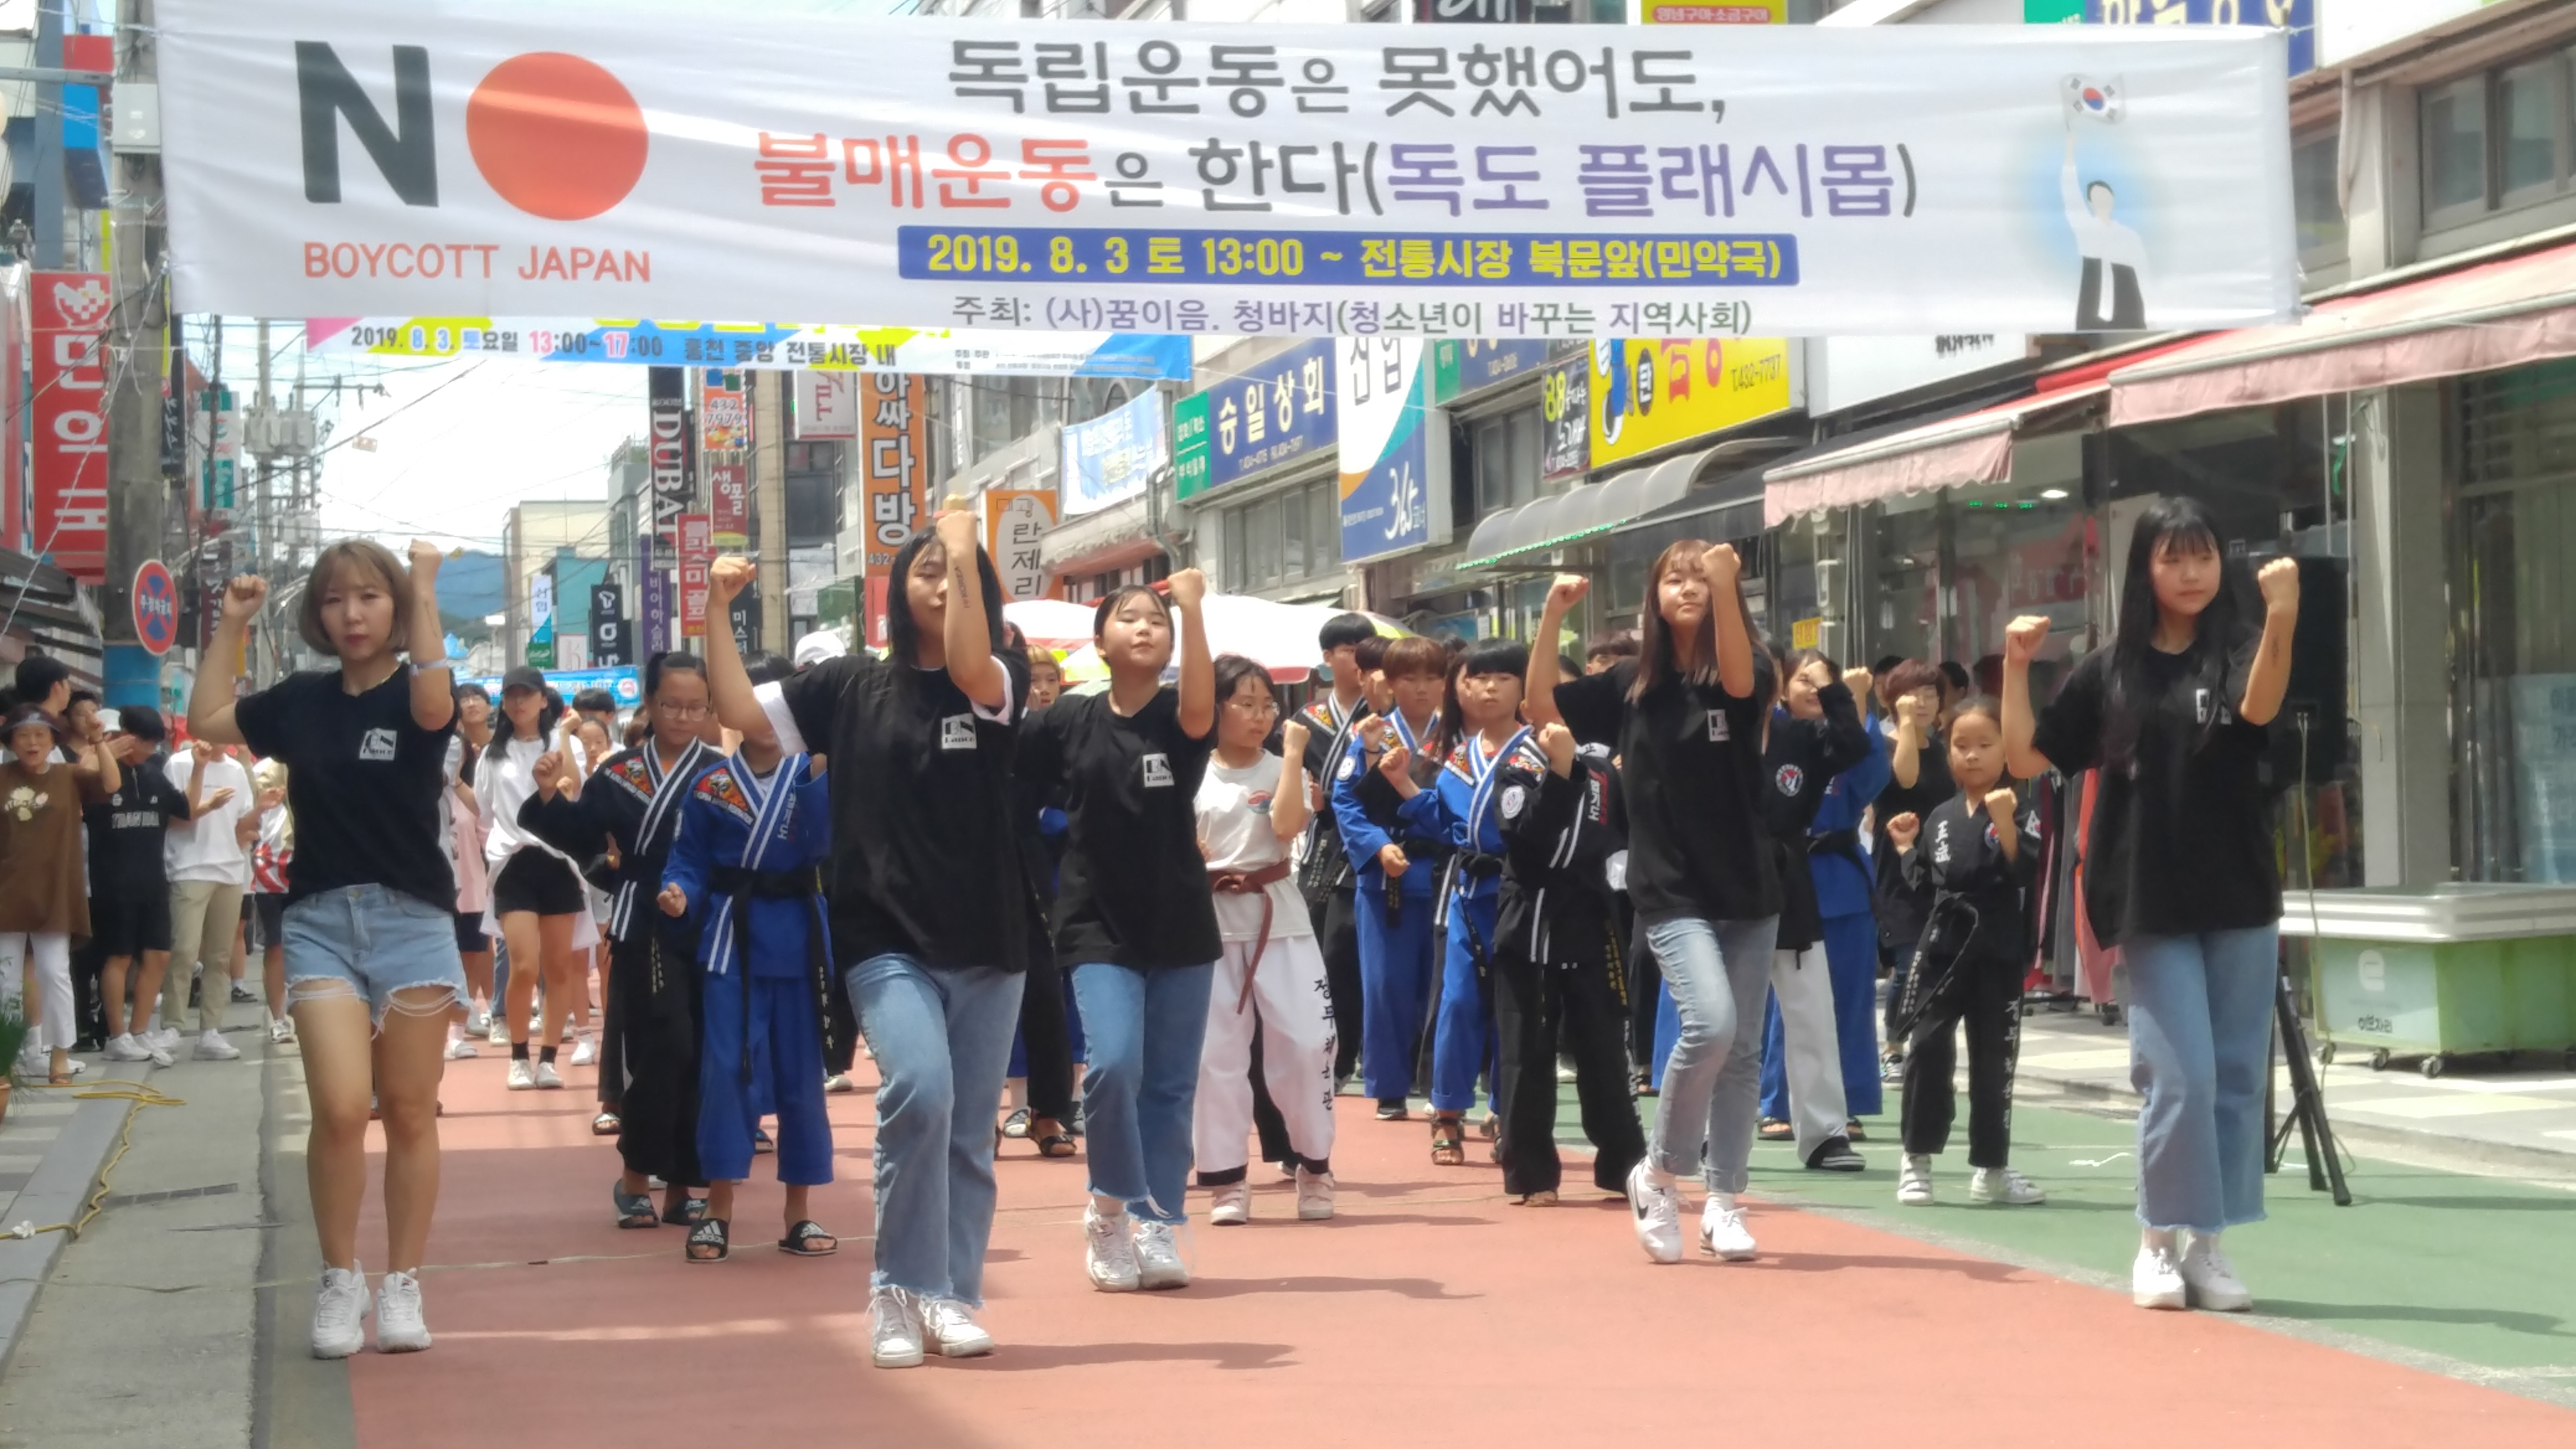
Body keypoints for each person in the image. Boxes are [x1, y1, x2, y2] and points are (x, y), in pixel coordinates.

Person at [706, 512, 1028, 1369]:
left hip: (989, 933)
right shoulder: (850, 684)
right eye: (927, 570)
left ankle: (950, 1295)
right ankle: (895, 1288)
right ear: (898, 590)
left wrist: (963, 541)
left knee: (968, 1132)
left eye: (957, 572)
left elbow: (967, 663)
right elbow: (740, 714)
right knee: (919, 1092)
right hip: (882, 933)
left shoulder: (1000, 674)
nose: (942, 583)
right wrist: (716, 608)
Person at [2004, 497, 2300, 1313]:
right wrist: (2016, 666)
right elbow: (2025, 756)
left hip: (2239, 891)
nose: (2192, 572)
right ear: (2145, 568)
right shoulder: (2110, 669)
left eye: (2204, 555)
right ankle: (2156, 1241)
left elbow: (2260, 708)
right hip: (2148, 896)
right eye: (2174, 558)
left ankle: (2209, 1244)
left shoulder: (2238, 646)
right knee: (2179, 1075)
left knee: (2236, 1076)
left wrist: (2282, 617)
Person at [188, 538, 465, 1358]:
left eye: (370, 597)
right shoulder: (301, 699)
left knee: (409, 1110)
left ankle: (403, 1282)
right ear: (318, 612)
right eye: (336, 599)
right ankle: (340, 1277)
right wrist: (232, 624)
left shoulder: (420, 692)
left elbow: (433, 701)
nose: (352, 614)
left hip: (412, 919)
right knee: (342, 1108)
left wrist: (422, 585)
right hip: (318, 920)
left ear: (396, 610)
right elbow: (205, 720)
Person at [1526, 548, 1777, 1266]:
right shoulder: (1631, 683)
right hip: (1668, 888)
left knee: (1742, 1053)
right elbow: (1541, 706)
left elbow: (1736, 679)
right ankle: (1660, 1172)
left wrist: (1726, 586)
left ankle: (1724, 1202)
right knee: (1711, 1024)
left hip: (1750, 886)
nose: (1689, 587)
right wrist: (1552, 616)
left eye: (1702, 576)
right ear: (1654, 596)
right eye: (1675, 578)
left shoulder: (1751, 669)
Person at [1017, 573, 1220, 1292]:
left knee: (1168, 1085)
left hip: (1180, 924)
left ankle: (1157, 1219)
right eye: (1129, 618)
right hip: (1095, 921)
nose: (1145, 627)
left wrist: (1191, 607)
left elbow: (1201, 705)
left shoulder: (1179, 716)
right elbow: (1003, 764)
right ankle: (1107, 1210)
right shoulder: (1067, 719)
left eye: (1157, 620)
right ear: (1100, 642)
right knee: (1112, 1066)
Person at [521, 651, 719, 1229]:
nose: (683, 717)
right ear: (649, 704)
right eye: (671, 705)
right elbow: (584, 838)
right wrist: (550, 798)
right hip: (644, 923)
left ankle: (682, 1186)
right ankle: (634, 1176)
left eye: (695, 707)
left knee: (702, 1052)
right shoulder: (619, 773)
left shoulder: (719, 773)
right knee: (662, 1048)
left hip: (708, 924)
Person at [657, 659, 838, 1265]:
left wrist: (819, 776)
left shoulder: (811, 771)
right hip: (730, 943)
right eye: (755, 707)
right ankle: (718, 1209)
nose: (766, 719)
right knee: (725, 1072)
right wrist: (679, 893)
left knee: (801, 1079)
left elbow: (824, 845)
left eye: (778, 708)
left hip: (799, 941)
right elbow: (688, 860)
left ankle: (798, 1213)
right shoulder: (710, 787)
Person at [1883, 698, 2046, 1209]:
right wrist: (1905, 847)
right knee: (1927, 1050)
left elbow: (2024, 872)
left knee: (1994, 1059)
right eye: (1960, 745)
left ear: (2005, 751)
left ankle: (1991, 1168)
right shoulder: (1940, 816)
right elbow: (1922, 884)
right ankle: (1916, 1159)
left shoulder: (2022, 809)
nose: (1971, 755)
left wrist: (2007, 824)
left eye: (1984, 745)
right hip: (1943, 949)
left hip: (1996, 948)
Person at [1192, 653, 1335, 1225]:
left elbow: (1285, 827)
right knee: (1214, 1056)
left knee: (1306, 1044)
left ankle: (1314, 1166)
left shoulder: (1283, 766)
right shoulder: (1190, 769)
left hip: (1281, 921)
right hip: (1208, 924)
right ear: (1215, 708)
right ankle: (1226, 1180)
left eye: (1266, 706)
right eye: (1244, 704)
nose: (1258, 716)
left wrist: (1294, 754)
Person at [1487, 720, 1646, 1204]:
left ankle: (1624, 1166)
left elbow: (1624, 837)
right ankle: (1532, 1174)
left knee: (1604, 1048)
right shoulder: (1517, 765)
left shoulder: (1604, 769)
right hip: (1532, 916)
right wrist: (1558, 771)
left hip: (1593, 915)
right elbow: (1525, 833)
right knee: (1527, 1050)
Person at [1384, 639, 1527, 1165]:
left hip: (1524, 893)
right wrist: (1402, 783)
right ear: (1461, 688)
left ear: (1524, 686)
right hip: (1468, 894)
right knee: (1459, 1001)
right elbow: (1445, 825)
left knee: (1515, 1007)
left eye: (1503, 678)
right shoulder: (1460, 756)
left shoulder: (1539, 748)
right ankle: (1446, 1110)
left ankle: (1507, 1111)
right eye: (1478, 678)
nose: (1489, 689)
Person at [1744, 653, 1874, 1175]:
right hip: (1722, 883)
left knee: (1811, 1012)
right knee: (1719, 1021)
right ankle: (1709, 1132)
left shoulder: (1799, 735)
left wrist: (1830, 687)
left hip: (1789, 881)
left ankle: (1824, 1134)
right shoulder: (1704, 735)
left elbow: (1853, 745)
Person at [1332, 635, 1447, 1122]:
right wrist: (1378, 846)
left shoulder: (1459, 739)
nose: (1420, 688)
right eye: (1408, 679)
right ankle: (1390, 1085)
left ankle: (1442, 1084)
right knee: (1385, 985)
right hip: (1385, 879)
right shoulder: (1371, 738)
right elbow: (1344, 801)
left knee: (1442, 987)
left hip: (1442, 876)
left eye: (1431, 678)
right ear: (1389, 683)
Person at [1779, 655, 1893, 1142]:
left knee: (1848, 998)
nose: (1813, 688)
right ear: (1780, 687)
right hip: (1783, 874)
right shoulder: (1771, 733)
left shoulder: (1847, 738)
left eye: (1823, 680)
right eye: (1803, 679)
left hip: (1840, 876)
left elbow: (1873, 776)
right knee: (1780, 1003)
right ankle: (1776, 1099)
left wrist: (1854, 700)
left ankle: (1846, 1101)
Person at [477, 667, 590, 1090]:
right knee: (524, 966)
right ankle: (519, 1056)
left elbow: (574, 790)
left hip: (559, 862)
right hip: (513, 863)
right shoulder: (492, 755)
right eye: (511, 696)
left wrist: (565, 736)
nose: (519, 702)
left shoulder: (564, 743)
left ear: (544, 700)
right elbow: (485, 810)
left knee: (558, 967)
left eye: (527, 695)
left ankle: (548, 1059)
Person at [2, 703, 114, 1084]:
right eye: (23, 735)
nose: (32, 743)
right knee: (5, 981)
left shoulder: (69, 775)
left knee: (55, 974)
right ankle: (5, 1061)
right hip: (6, 894)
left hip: (55, 893)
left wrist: (99, 742)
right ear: (11, 742)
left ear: (53, 740)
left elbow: (110, 784)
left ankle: (60, 1056)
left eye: (40, 735)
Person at [89, 708, 203, 1067]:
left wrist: (199, 767)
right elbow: (92, 784)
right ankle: (117, 1036)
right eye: (143, 741)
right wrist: (102, 748)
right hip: (114, 883)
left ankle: (139, 1032)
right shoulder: (99, 772)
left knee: (159, 956)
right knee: (120, 956)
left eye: (154, 744)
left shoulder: (154, 774)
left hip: (153, 880)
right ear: (123, 735)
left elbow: (186, 809)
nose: (148, 750)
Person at [1002, 640, 1080, 1158]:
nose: (1040, 688)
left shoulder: (1046, 733)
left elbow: (1064, 797)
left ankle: (1048, 1112)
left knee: (1044, 994)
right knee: (967, 997)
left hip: (1031, 875)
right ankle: (976, 1117)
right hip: (958, 873)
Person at [1295, 613, 1377, 1092]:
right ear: (1327, 658)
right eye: (1350, 649)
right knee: (1329, 955)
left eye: (1368, 647)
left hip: (1376, 840)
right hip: (1325, 847)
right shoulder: (1305, 721)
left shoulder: (1385, 716)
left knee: (1371, 956)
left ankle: (1375, 1054)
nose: (1361, 658)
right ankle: (1338, 1054)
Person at [1873, 660, 1951, 1069]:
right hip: (1896, 871)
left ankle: (1928, 1047)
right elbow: (1905, 779)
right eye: (1912, 695)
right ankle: (1894, 1047)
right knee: (1908, 965)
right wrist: (1905, 725)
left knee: (1935, 964)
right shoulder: (1885, 746)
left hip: (1938, 869)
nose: (1922, 703)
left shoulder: (1943, 749)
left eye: (1930, 694)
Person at [161, 732, 255, 1063]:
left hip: (229, 870)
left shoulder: (236, 770)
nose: (217, 740)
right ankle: (172, 1027)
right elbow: (175, 817)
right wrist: (207, 798)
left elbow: (242, 825)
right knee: (185, 950)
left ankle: (210, 1032)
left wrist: (262, 810)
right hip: (189, 867)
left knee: (220, 956)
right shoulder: (178, 764)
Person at [447, 684, 498, 1053]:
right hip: (435, 889)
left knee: (474, 953)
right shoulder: (422, 793)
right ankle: (453, 1027)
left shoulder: (467, 791)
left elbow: (487, 826)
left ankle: (461, 1029)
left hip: (472, 888)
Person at [249, 759, 294, 1044]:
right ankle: (279, 1019)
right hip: (271, 867)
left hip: (312, 864)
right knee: (276, 944)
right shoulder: (261, 771)